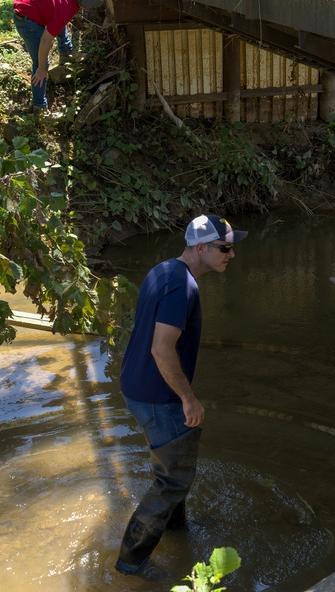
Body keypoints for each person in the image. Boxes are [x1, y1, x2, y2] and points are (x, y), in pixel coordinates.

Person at [115, 214, 248, 576]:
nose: (231, 255)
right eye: (225, 248)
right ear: (201, 247)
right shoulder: (183, 286)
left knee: (174, 468)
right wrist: (188, 398)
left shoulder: (164, 270)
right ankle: (130, 562)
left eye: (232, 247)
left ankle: (176, 532)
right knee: (173, 479)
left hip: (137, 387)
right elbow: (161, 349)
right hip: (158, 397)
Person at [12, 0, 109, 111]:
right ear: (85, 7)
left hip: (31, 2)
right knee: (41, 63)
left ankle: (66, 51)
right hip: (26, 19)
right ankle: (39, 106)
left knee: (58, 20)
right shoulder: (64, 10)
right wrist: (42, 68)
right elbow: (45, 40)